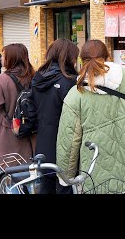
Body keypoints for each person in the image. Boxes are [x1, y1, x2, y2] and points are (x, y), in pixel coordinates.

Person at [56, 40, 125, 193]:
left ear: (81, 60)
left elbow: (69, 143)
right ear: (108, 56)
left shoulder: (75, 95)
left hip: (97, 168)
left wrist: (66, 177)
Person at [29, 39, 79, 194]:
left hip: (43, 140)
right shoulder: (69, 81)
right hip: (64, 142)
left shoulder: (38, 77)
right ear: (69, 57)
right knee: (65, 185)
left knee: (46, 182)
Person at [0, 44, 36, 180]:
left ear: (10, 58)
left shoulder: (2, 79)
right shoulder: (34, 75)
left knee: (8, 167)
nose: (2, 58)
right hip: (31, 128)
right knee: (28, 165)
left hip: (9, 129)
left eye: (3, 55)